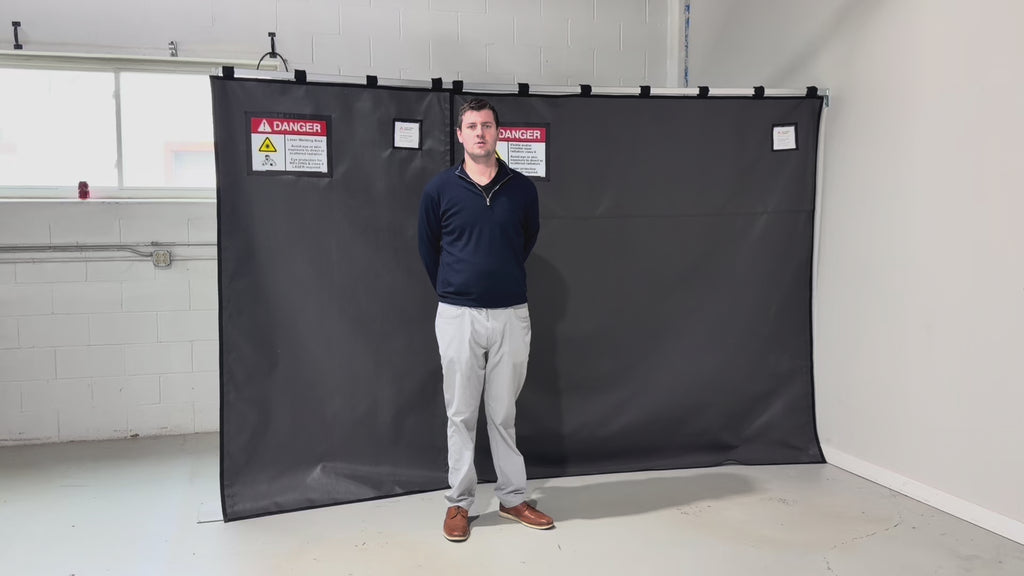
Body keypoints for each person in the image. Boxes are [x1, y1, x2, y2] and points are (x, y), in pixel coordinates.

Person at [418, 98, 553, 542]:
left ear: (498, 133)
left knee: (503, 412)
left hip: (511, 314)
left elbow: (526, 239)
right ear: (460, 135)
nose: (480, 133)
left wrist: (497, 281)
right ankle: (459, 503)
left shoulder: (522, 189)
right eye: (472, 126)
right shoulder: (440, 189)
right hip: (458, 315)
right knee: (460, 413)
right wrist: (458, 287)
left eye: (488, 125)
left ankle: (512, 498)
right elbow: (428, 247)